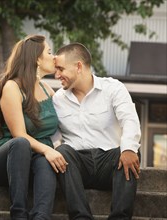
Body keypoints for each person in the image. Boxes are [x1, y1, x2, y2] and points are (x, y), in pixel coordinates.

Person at [53, 42, 141, 220]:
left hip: (110, 163)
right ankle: (81, 217)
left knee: (127, 152)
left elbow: (129, 119)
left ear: (78, 66)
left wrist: (129, 148)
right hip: (76, 166)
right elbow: (53, 137)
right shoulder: (57, 99)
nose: (57, 75)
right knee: (62, 151)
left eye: (61, 69)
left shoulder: (113, 88)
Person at [0, 34, 67, 220]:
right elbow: (18, 134)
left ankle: (41, 217)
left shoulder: (48, 90)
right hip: (6, 162)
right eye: (49, 52)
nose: (54, 57)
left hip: (36, 161)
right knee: (22, 143)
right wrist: (48, 150)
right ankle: (19, 215)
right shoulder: (12, 87)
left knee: (46, 160)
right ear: (37, 59)